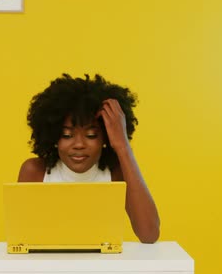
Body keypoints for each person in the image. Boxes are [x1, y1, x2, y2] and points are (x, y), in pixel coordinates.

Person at [18, 73, 160, 243]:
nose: (79, 144)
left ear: (106, 138)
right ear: (53, 137)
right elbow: (22, 240)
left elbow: (149, 235)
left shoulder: (116, 173)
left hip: (103, 268)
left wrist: (123, 146)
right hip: (50, 267)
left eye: (91, 135)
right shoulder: (35, 172)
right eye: (67, 135)